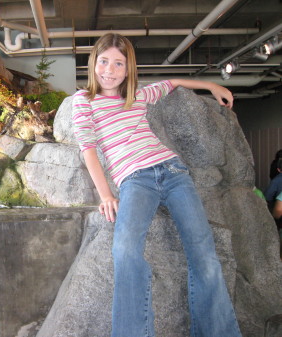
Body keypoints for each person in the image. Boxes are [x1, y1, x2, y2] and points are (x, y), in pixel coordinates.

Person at [72, 33, 242, 337]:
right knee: (124, 250)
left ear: (128, 69)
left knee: (204, 252)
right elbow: (88, 149)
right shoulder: (83, 100)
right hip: (136, 181)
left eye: (118, 63)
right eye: (104, 61)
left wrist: (213, 85)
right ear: (93, 62)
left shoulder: (137, 95)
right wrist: (106, 194)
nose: (109, 70)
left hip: (175, 172)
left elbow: (173, 83)